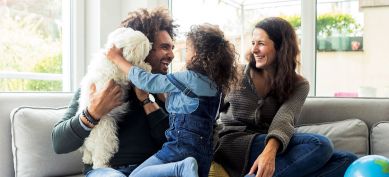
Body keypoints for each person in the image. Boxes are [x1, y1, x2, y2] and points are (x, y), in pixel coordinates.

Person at [213, 17, 358, 177]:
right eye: (253, 43)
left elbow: (285, 118)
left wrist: (269, 153)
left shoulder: (298, 84)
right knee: (320, 144)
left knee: (348, 160)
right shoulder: (234, 74)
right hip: (232, 144)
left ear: (281, 47)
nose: (254, 49)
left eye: (261, 43)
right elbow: (210, 109)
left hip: (269, 145)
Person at [52, 7, 177, 176]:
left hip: (147, 170)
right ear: (141, 47)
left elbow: (172, 143)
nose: (171, 55)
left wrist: (147, 100)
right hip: (106, 170)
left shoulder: (165, 90)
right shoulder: (99, 82)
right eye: (164, 47)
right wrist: (93, 112)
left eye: (172, 48)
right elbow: (59, 143)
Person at [106, 23, 239, 177]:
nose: (178, 54)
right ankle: (182, 168)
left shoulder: (188, 78)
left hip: (179, 148)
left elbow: (147, 81)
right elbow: (192, 105)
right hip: (204, 153)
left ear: (199, 54)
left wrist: (117, 58)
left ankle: (179, 168)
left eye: (188, 49)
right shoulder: (216, 87)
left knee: (136, 175)